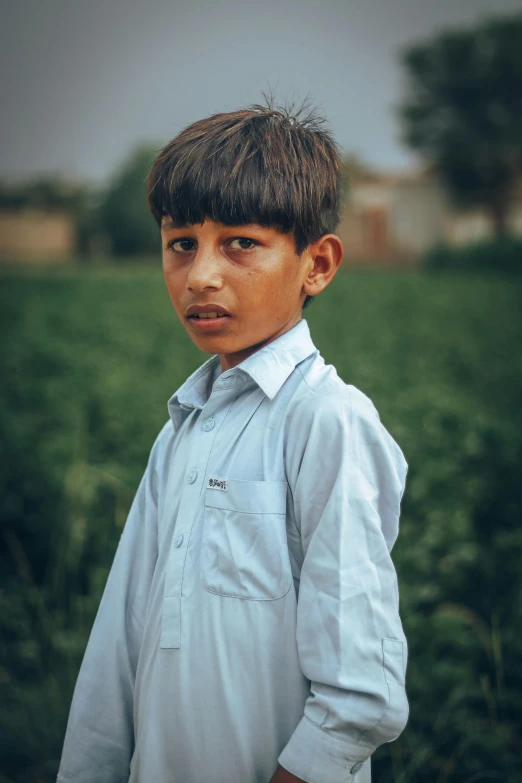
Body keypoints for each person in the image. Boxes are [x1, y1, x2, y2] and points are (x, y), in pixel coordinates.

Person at [57, 100, 409, 783]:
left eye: (240, 242)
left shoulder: (327, 420)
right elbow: (118, 646)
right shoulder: (182, 428)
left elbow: (360, 692)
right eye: (181, 242)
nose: (201, 275)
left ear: (318, 264)